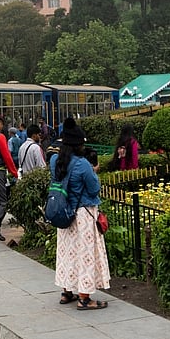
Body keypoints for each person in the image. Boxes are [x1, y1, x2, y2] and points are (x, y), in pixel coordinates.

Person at [51, 124, 110, 310]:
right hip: (83, 215)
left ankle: (66, 291)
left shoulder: (55, 161)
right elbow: (94, 189)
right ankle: (84, 298)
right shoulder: (83, 164)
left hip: (64, 213)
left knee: (67, 252)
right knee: (85, 254)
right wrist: (94, 172)